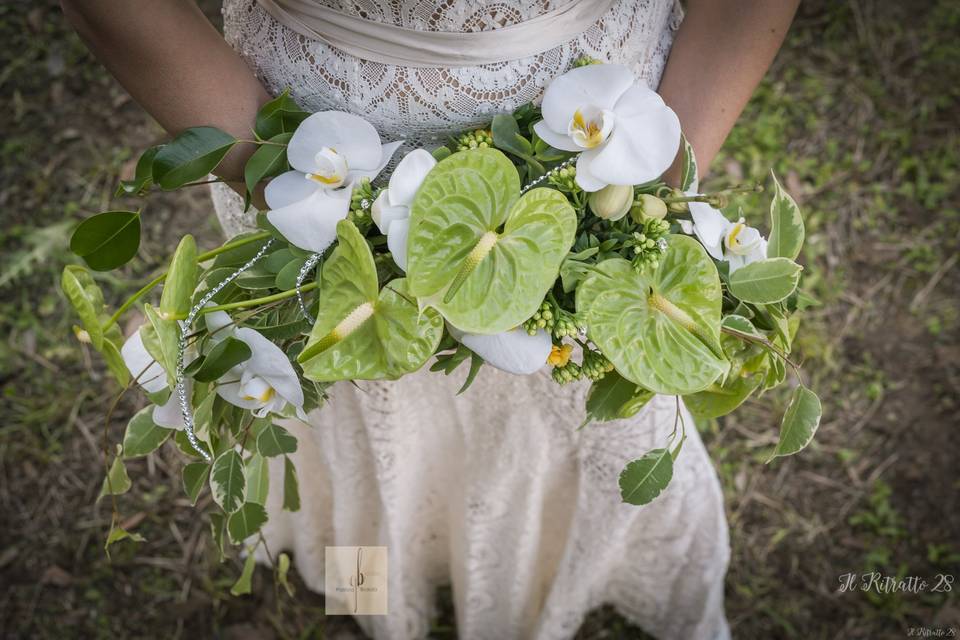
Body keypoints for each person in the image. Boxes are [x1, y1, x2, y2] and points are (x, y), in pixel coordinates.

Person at [62, 1, 799, 638]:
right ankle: (372, 601)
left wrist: (659, 187)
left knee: (584, 406)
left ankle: (569, 589)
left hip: (599, 144)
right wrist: (324, 218)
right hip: (307, 157)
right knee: (348, 414)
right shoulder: (306, 195)